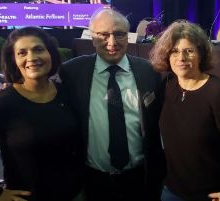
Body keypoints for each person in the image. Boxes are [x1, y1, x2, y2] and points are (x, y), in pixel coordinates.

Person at [59, 8, 164, 201]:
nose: (112, 42)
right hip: (91, 179)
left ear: (128, 36)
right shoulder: (72, 72)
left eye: (119, 34)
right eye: (103, 35)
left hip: (140, 178)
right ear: (92, 37)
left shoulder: (148, 71)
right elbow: (45, 94)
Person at [149, 22, 220, 201]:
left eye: (189, 51)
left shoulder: (218, 93)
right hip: (171, 192)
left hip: (210, 195)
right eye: (174, 51)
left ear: (201, 54)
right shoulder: (167, 86)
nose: (181, 57)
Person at [0, 27, 84, 201]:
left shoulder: (66, 93)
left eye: (38, 49)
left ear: (50, 54)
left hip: (75, 195)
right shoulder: (3, 102)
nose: (32, 58)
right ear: (14, 61)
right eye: (22, 53)